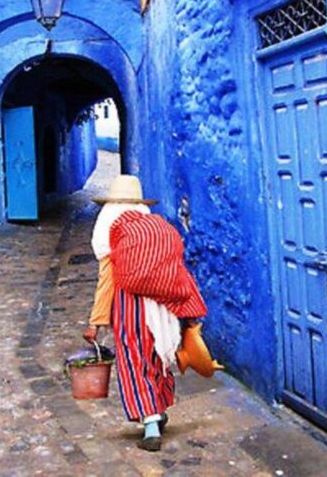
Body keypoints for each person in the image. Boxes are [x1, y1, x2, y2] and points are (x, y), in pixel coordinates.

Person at [83, 175, 207, 452]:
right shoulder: (155, 227)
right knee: (156, 355)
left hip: (131, 305)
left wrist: (96, 322)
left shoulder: (112, 233)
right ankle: (159, 410)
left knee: (134, 357)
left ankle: (150, 424)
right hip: (161, 306)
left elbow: (107, 280)